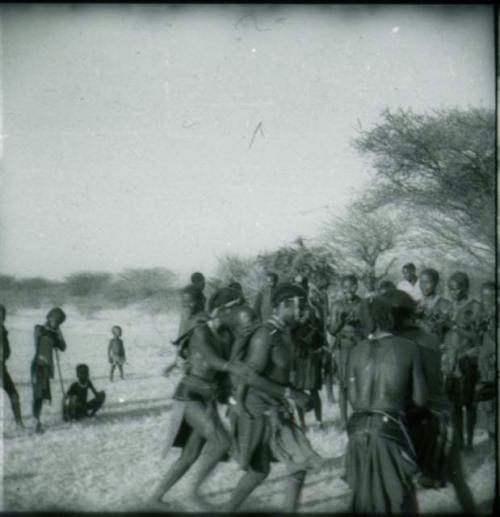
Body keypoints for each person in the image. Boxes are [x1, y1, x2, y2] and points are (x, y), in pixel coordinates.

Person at [221, 283, 322, 513]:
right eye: (300, 306)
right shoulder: (266, 335)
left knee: (276, 467)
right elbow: (250, 376)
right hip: (259, 409)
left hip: (275, 405)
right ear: (283, 306)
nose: (303, 311)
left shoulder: (286, 332)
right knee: (270, 467)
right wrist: (290, 394)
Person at [151, 286, 251, 510]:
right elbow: (211, 358)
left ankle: (156, 497)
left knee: (190, 455)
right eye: (184, 303)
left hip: (206, 398)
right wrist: (234, 367)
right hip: (190, 395)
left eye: (192, 302)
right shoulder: (200, 327)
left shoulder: (222, 329)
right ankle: (193, 494)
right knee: (222, 443)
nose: (187, 307)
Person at [389, 290, 476, 513]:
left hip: (416, 417)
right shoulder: (429, 337)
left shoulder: (397, 343)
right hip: (440, 415)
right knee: (458, 480)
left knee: (405, 481)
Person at [345, 294, 427, 514]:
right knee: (400, 502)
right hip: (388, 431)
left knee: (363, 502)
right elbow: (421, 399)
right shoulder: (409, 348)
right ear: (391, 317)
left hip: (357, 433)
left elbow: (354, 400)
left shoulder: (355, 351)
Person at [441, 272, 481, 451]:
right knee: (454, 404)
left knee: (469, 403)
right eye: (450, 288)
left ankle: (470, 441)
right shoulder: (449, 307)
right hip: (451, 362)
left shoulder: (474, 306)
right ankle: (459, 440)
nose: (453, 292)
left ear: (466, 288)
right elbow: (446, 333)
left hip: (467, 360)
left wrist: (455, 327)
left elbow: (477, 337)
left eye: (456, 288)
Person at [328, 275, 366, 429]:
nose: (348, 290)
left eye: (351, 286)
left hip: (360, 346)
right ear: (341, 289)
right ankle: (344, 420)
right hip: (343, 347)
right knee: (344, 384)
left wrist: (358, 324)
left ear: (356, 287)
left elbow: (369, 328)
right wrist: (342, 320)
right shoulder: (337, 305)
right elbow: (332, 330)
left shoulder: (363, 304)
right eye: (345, 287)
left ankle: (360, 416)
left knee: (360, 382)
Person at [291, 275, 325, 430]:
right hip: (296, 353)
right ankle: (302, 423)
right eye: (297, 285)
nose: (300, 288)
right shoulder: (288, 307)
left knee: (313, 389)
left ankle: (319, 422)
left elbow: (321, 329)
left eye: (302, 285)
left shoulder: (314, 306)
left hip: (311, 352)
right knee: (297, 389)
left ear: (306, 287)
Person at [31, 307, 67, 434]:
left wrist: (58, 332)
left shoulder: (54, 334)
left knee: (42, 396)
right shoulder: (39, 328)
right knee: (38, 394)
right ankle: (35, 422)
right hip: (38, 365)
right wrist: (50, 330)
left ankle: (37, 421)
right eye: (56, 320)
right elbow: (37, 341)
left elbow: (63, 347)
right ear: (49, 316)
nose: (57, 323)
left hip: (47, 367)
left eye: (60, 322)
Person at [475, 281, 496, 456]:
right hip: (486, 369)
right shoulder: (481, 315)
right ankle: (491, 449)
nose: (486, 300)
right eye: (484, 296)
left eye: (490, 296)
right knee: (488, 408)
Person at [1, 304, 25, 428]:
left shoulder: (3, 331)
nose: (2, 318)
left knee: (14, 394)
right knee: (14, 394)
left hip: (2, 369)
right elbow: (7, 352)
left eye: (2, 316)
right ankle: (19, 423)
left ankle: (19, 424)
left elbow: (7, 352)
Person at [414, 268, 453, 345]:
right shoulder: (416, 304)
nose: (423, 286)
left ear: (436, 283)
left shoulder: (445, 305)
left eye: (427, 282)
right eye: (421, 282)